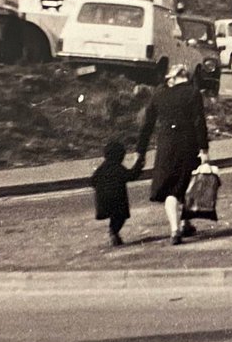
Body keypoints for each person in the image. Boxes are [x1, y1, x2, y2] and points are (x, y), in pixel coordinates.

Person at [135, 64, 211, 245]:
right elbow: (199, 123)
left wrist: (141, 150)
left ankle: (176, 229)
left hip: (166, 146)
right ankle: (185, 222)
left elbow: (147, 125)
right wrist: (204, 150)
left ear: (172, 79)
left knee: (170, 189)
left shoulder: (159, 94)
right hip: (188, 145)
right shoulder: (193, 93)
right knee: (186, 185)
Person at [89, 139, 142, 247]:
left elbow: (92, 181)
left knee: (114, 216)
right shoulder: (118, 167)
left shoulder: (101, 168)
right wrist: (138, 165)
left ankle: (113, 233)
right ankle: (114, 232)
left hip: (103, 200)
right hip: (118, 199)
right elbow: (131, 176)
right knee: (119, 217)